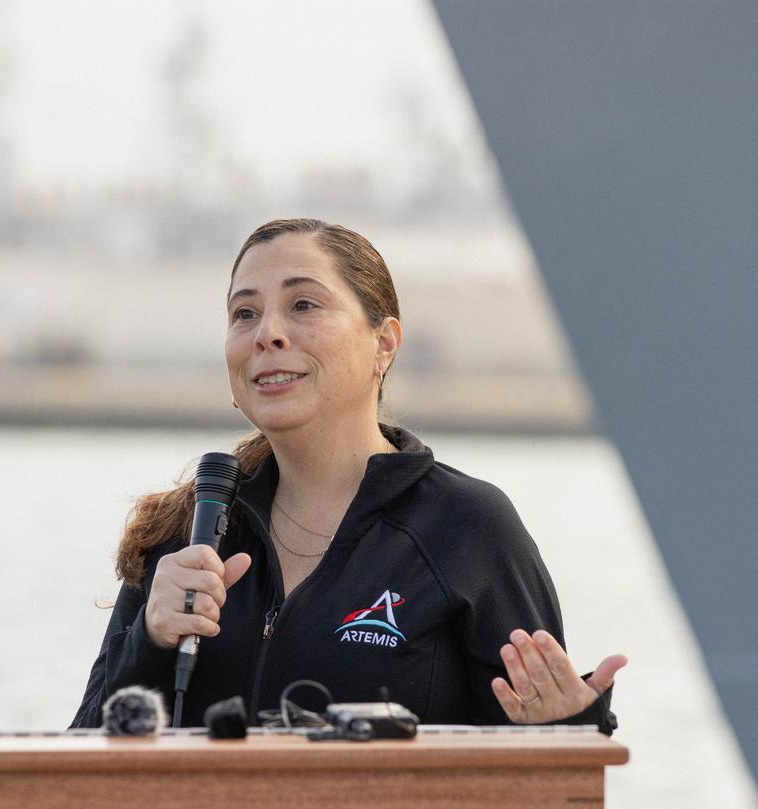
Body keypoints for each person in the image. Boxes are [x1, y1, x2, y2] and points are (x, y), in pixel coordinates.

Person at [71, 218, 625, 731]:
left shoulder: (466, 527)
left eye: (304, 305)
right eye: (245, 314)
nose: (267, 334)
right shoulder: (188, 530)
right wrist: (148, 641)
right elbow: (75, 759)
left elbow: (536, 770)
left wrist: (567, 727)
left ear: (383, 343)